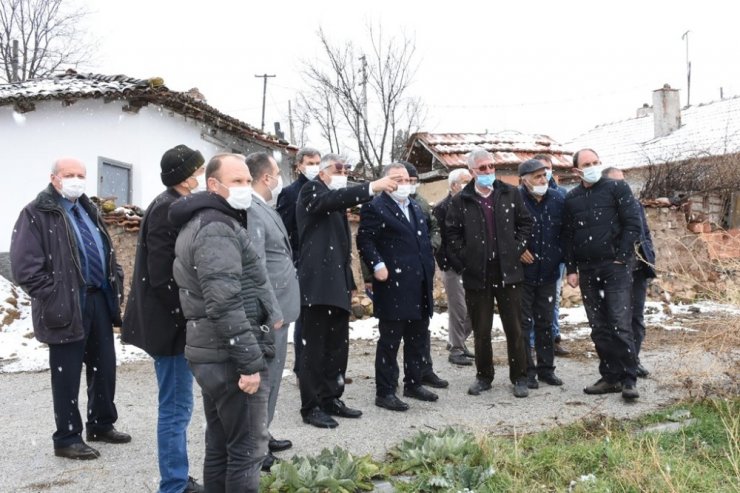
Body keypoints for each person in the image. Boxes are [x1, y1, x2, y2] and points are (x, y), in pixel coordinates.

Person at [170, 153, 283, 492]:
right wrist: (248, 363)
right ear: (213, 185)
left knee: (221, 444)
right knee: (247, 452)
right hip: (228, 355)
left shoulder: (208, 221)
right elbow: (224, 302)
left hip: (213, 352)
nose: (245, 187)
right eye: (237, 182)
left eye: (248, 181)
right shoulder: (216, 227)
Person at [10, 158, 130, 460]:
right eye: (69, 175)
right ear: (54, 178)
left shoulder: (88, 210)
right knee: (66, 374)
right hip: (66, 304)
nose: (76, 179)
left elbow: (105, 249)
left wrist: (115, 276)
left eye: (81, 175)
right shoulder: (37, 213)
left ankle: (101, 424)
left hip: (99, 300)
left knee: (104, 366)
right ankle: (66, 437)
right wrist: (53, 295)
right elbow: (25, 267)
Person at [121, 145, 205, 492]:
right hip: (169, 327)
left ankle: (177, 478)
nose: (200, 176)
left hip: (172, 323)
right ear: (185, 176)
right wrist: (185, 314)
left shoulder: (171, 204)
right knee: (175, 407)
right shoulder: (166, 209)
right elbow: (161, 275)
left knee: (178, 405)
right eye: (198, 171)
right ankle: (172, 484)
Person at [296, 153, 397, 428]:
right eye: (338, 168)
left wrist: (350, 283)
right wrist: (370, 187)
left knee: (337, 348)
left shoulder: (336, 200)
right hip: (316, 285)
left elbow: (341, 248)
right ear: (323, 172)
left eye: (346, 168)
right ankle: (311, 405)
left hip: (337, 285)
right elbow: (328, 202)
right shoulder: (312, 190)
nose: (343, 172)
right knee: (314, 350)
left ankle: (331, 397)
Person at [446, 148, 533, 398]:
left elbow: (525, 223)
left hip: (509, 272)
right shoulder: (460, 200)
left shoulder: (510, 193)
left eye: (491, 166)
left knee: (515, 328)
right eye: (482, 168)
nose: (488, 171)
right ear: (472, 171)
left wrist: (516, 248)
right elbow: (452, 234)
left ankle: (520, 377)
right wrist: (467, 259)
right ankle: (484, 376)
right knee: (482, 330)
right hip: (478, 274)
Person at [357, 163, 438, 412]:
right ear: (385, 181)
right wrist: (377, 264)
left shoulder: (414, 205)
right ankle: (385, 391)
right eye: (396, 179)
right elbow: (364, 238)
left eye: (405, 178)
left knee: (417, 337)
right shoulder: (375, 207)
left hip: (419, 282)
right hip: (393, 284)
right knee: (391, 340)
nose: (403, 183)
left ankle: (413, 382)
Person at [563, 149, 642, 401]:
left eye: (596, 162)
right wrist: (572, 268)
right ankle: (610, 376)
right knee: (599, 327)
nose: (593, 167)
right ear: (577, 170)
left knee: (620, 323)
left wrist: (621, 256)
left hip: (615, 267)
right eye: (587, 164)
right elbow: (568, 236)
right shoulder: (572, 198)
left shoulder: (617, 189)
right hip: (587, 269)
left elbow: (633, 224)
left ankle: (629, 379)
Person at [245, 151, 300, 470]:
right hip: (272, 311)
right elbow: (258, 266)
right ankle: (255, 444)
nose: (280, 179)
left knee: (275, 375)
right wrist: (270, 309)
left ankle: (262, 432)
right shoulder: (252, 210)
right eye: (277, 173)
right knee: (266, 377)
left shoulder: (266, 207)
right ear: (266, 177)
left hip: (280, 307)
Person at [602, 167, 656, 378]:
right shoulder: (604, 208)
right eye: (617, 183)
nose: (623, 186)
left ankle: (633, 361)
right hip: (616, 272)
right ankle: (617, 364)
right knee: (616, 321)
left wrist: (649, 254)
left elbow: (645, 233)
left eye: (624, 182)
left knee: (636, 319)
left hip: (639, 270)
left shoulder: (635, 204)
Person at [517, 159, 565, 390]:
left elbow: (567, 232)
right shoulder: (514, 200)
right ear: (524, 180)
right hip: (522, 275)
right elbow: (502, 232)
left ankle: (547, 369)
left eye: (544, 176)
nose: (543, 181)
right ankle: (527, 372)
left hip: (548, 272)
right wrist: (518, 249)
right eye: (537, 177)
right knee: (524, 324)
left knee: (546, 323)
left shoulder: (558, 199)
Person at [400, 161, 448, 389]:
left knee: (422, 326)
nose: (409, 185)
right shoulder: (385, 204)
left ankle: (424, 369)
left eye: (412, 181)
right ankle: (400, 377)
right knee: (397, 330)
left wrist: (431, 247)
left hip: (423, 272)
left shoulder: (420, 203)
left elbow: (435, 229)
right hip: (399, 277)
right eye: (405, 181)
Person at [276, 147, 321, 378]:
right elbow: (283, 231)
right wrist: (293, 259)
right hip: (300, 262)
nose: (315, 166)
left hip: (321, 262)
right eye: (310, 162)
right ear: (299, 166)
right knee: (304, 316)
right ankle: (302, 366)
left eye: (318, 162)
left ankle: (318, 364)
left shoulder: (324, 190)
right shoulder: (290, 193)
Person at [433, 168, 475, 366]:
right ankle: (457, 348)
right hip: (452, 266)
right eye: (464, 181)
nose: (468, 184)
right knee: (459, 308)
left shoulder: (473, 205)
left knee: (474, 309)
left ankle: (457, 342)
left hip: (472, 265)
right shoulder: (442, 208)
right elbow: (440, 241)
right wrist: (449, 263)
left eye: (470, 180)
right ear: (453, 185)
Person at [533, 153, 569, 356]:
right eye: (540, 170)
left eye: (547, 169)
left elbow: (567, 227)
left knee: (553, 300)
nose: (544, 174)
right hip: (533, 258)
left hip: (556, 257)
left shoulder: (561, 194)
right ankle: (531, 342)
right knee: (532, 303)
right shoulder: (524, 195)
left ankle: (553, 338)